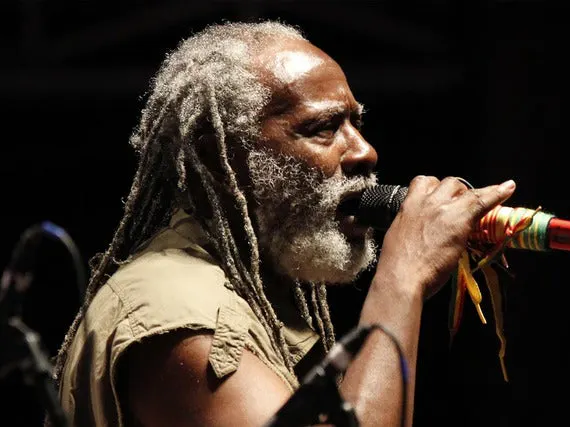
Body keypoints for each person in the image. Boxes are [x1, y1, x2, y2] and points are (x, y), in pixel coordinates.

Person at [50, 20, 516, 427]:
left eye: (355, 123)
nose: (364, 151)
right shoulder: (183, 318)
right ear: (218, 159)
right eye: (323, 128)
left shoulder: (254, 285)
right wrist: (402, 276)